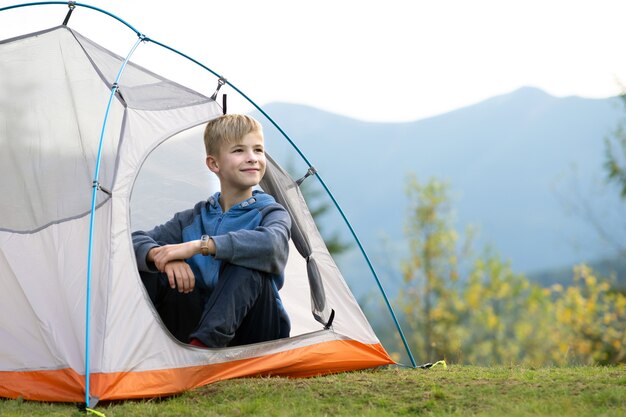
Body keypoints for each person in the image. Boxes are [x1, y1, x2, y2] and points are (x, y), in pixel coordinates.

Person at [132, 114, 291, 348]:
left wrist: (200, 246)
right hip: (195, 322)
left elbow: (272, 246)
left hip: (257, 331)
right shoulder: (193, 218)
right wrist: (161, 258)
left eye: (258, 150)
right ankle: (135, 348)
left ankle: (203, 349)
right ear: (214, 164)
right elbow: (132, 241)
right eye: (239, 151)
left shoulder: (271, 212)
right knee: (152, 268)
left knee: (247, 261)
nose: (252, 158)